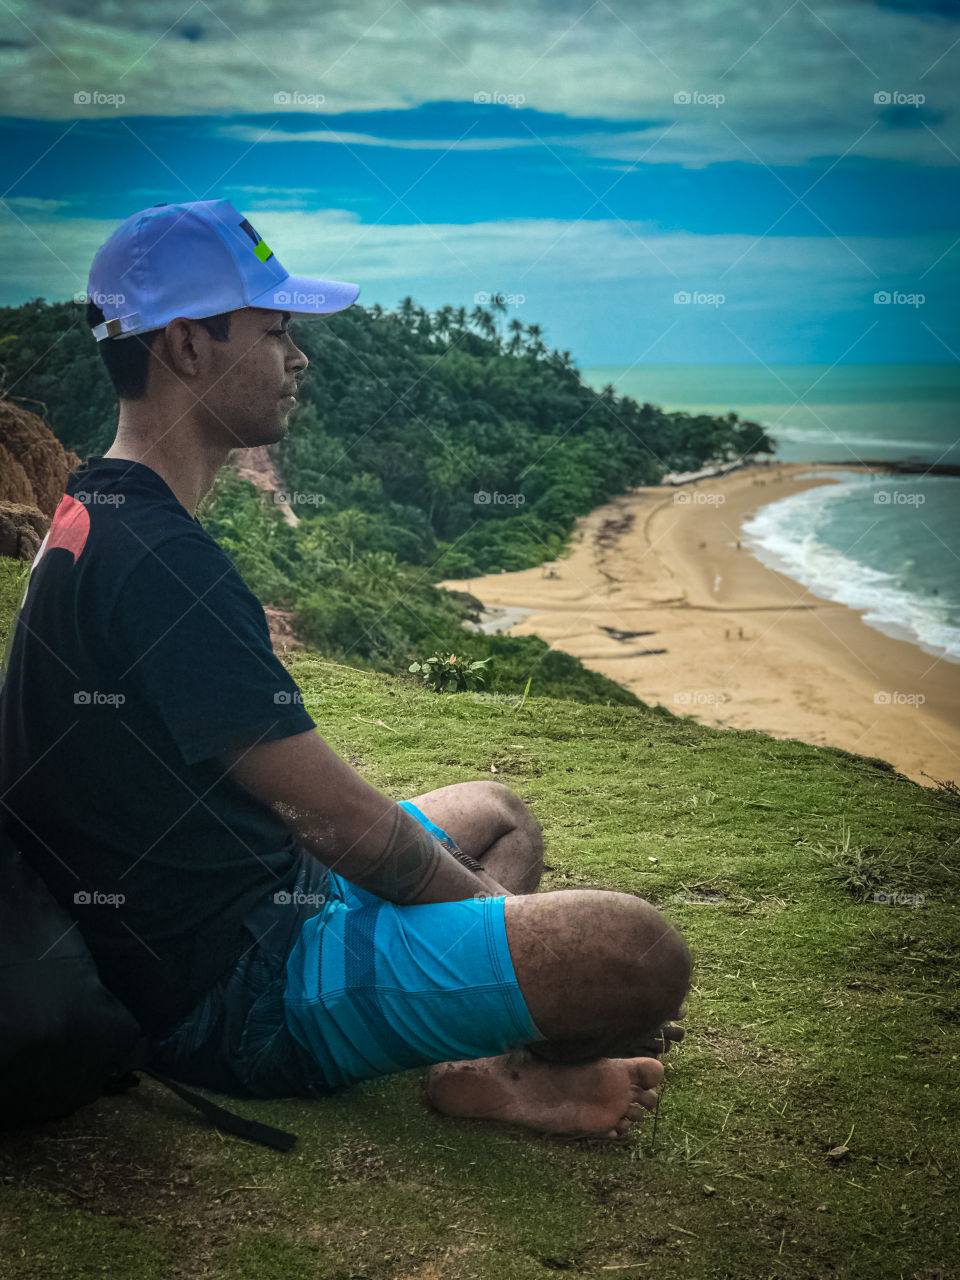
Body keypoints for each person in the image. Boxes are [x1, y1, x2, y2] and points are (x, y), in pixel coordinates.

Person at [0, 200, 691, 1139]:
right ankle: (510, 1054)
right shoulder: (163, 566)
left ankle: (482, 1060)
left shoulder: (93, 509)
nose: (300, 356)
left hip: (240, 900)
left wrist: (480, 931)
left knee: (498, 813)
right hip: (236, 994)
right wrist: (491, 928)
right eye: (274, 328)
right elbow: (345, 827)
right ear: (185, 348)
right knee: (638, 955)